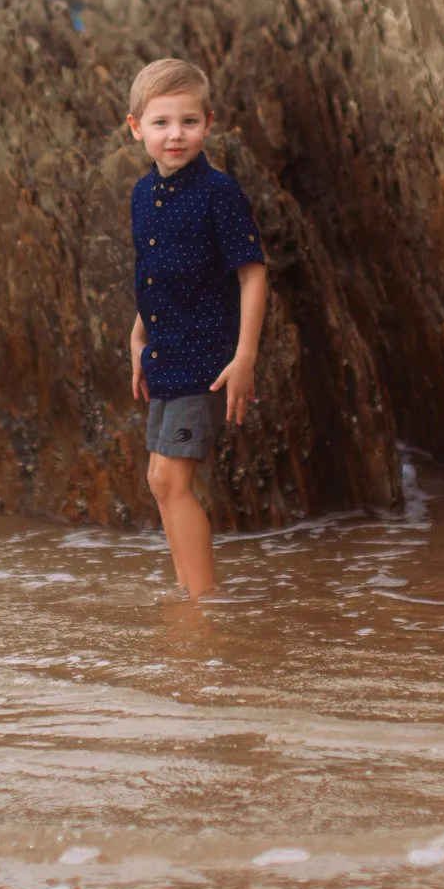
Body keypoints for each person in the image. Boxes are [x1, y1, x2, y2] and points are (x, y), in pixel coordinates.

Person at [126, 57, 268, 598]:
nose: (175, 135)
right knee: (159, 481)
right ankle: (189, 591)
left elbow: (253, 276)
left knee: (169, 479)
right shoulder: (143, 194)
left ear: (208, 123)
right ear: (136, 128)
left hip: (208, 357)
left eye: (188, 122)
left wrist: (245, 357)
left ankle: (204, 603)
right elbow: (155, 271)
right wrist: (139, 336)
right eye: (160, 123)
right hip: (164, 352)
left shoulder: (219, 192)